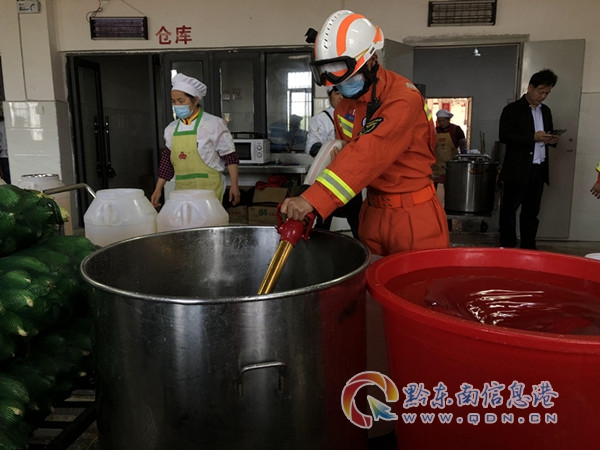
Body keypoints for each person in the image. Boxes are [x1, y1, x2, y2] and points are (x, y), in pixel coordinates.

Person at [281, 10, 449, 256]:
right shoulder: (346, 107)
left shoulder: (403, 98)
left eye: (346, 75)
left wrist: (313, 199)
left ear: (371, 60)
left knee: (416, 279)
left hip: (412, 215)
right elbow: (346, 152)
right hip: (371, 211)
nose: (341, 86)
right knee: (370, 279)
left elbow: (369, 151)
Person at [151, 73, 240, 207]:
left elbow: (230, 157)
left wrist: (234, 185)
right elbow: (166, 162)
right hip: (182, 190)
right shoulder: (171, 129)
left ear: (195, 100)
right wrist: (158, 189)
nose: (177, 105)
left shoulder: (213, 124)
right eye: (174, 101)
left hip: (209, 189)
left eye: (181, 101)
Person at [498, 69, 560, 250]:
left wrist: (551, 140)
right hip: (516, 170)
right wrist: (532, 137)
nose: (543, 96)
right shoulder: (512, 110)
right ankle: (507, 247)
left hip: (538, 170)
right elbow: (505, 136)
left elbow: (547, 133)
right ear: (530, 87)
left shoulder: (545, 111)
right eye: (540, 92)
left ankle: (528, 247)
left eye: (547, 93)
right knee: (509, 211)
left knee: (531, 212)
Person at [304, 85, 362, 238]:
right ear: (330, 96)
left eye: (344, 94)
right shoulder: (320, 119)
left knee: (356, 220)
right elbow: (311, 147)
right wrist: (331, 150)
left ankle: (361, 248)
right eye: (337, 93)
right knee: (323, 218)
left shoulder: (355, 117)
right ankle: (320, 248)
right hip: (327, 177)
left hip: (349, 177)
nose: (341, 97)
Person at [432, 108, 467, 186]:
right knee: (433, 187)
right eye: (439, 121)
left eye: (443, 120)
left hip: (450, 163)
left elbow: (463, 145)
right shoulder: (435, 131)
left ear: (448, 120)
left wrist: (464, 157)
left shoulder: (456, 129)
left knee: (450, 187)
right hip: (437, 163)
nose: (441, 123)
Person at [0, 105, 10, 184]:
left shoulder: (2, 124)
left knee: (7, 177)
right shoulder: (2, 124)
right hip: (4, 155)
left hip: (4, 154)